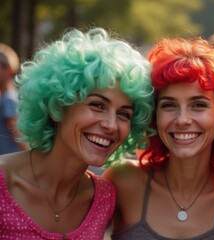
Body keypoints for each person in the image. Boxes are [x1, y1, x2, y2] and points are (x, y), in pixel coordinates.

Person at [0, 28, 154, 239]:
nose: (111, 125)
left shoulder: (104, 199)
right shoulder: (3, 182)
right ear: (58, 107)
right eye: (97, 105)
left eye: (124, 114)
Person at [103, 37, 214, 240]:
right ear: (154, 115)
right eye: (169, 105)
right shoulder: (123, 180)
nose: (182, 120)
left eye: (198, 105)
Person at [0, 43, 28, 154]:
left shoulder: (8, 99)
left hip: (7, 165)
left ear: (8, 71)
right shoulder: (10, 96)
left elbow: (19, 137)